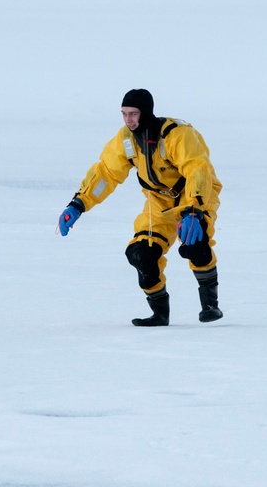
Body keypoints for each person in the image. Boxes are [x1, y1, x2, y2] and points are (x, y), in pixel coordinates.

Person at [57, 88, 223, 326]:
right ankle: (159, 313)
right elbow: (106, 173)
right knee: (140, 254)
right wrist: (78, 204)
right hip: (159, 201)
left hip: (194, 194)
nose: (129, 120)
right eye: (124, 114)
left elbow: (197, 169)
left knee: (195, 242)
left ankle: (210, 305)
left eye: (133, 114)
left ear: (146, 112)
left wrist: (194, 209)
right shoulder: (126, 140)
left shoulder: (178, 135)